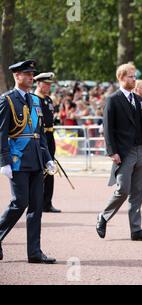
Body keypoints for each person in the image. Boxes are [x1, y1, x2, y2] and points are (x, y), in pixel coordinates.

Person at [0, 60, 57, 263]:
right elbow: (1, 132)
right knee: (19, 203)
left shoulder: (34, 100)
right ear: (17, 76)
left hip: (36, 160)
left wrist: (48, 158)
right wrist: (3, 161)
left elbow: (39, 133)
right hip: (17, 159)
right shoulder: (7, 100)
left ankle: (34, 252)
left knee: (36, 206)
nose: (32, 78)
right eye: (27, 74)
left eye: (32, 74)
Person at [96, 63, 142, 242]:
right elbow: (108, 127)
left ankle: (136, 229)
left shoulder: (139, 100)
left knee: (138, 192)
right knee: (123, 189)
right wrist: (112, 151)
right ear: (121, 78)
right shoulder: (113, 99)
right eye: (131, 76)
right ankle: (103, 216)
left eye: (134, 76)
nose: (134, 79)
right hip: (124, 152)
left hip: (141, 151)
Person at [33, 72, 61, 213]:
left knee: (50, 169)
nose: (48, 86)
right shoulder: (33, 99)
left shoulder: (48, 100)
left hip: (50, 136)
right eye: (46, 84)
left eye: (50, 84)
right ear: (38, 83)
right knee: (39, 170)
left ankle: (47, 202)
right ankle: (36, 201)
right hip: (39, 137)